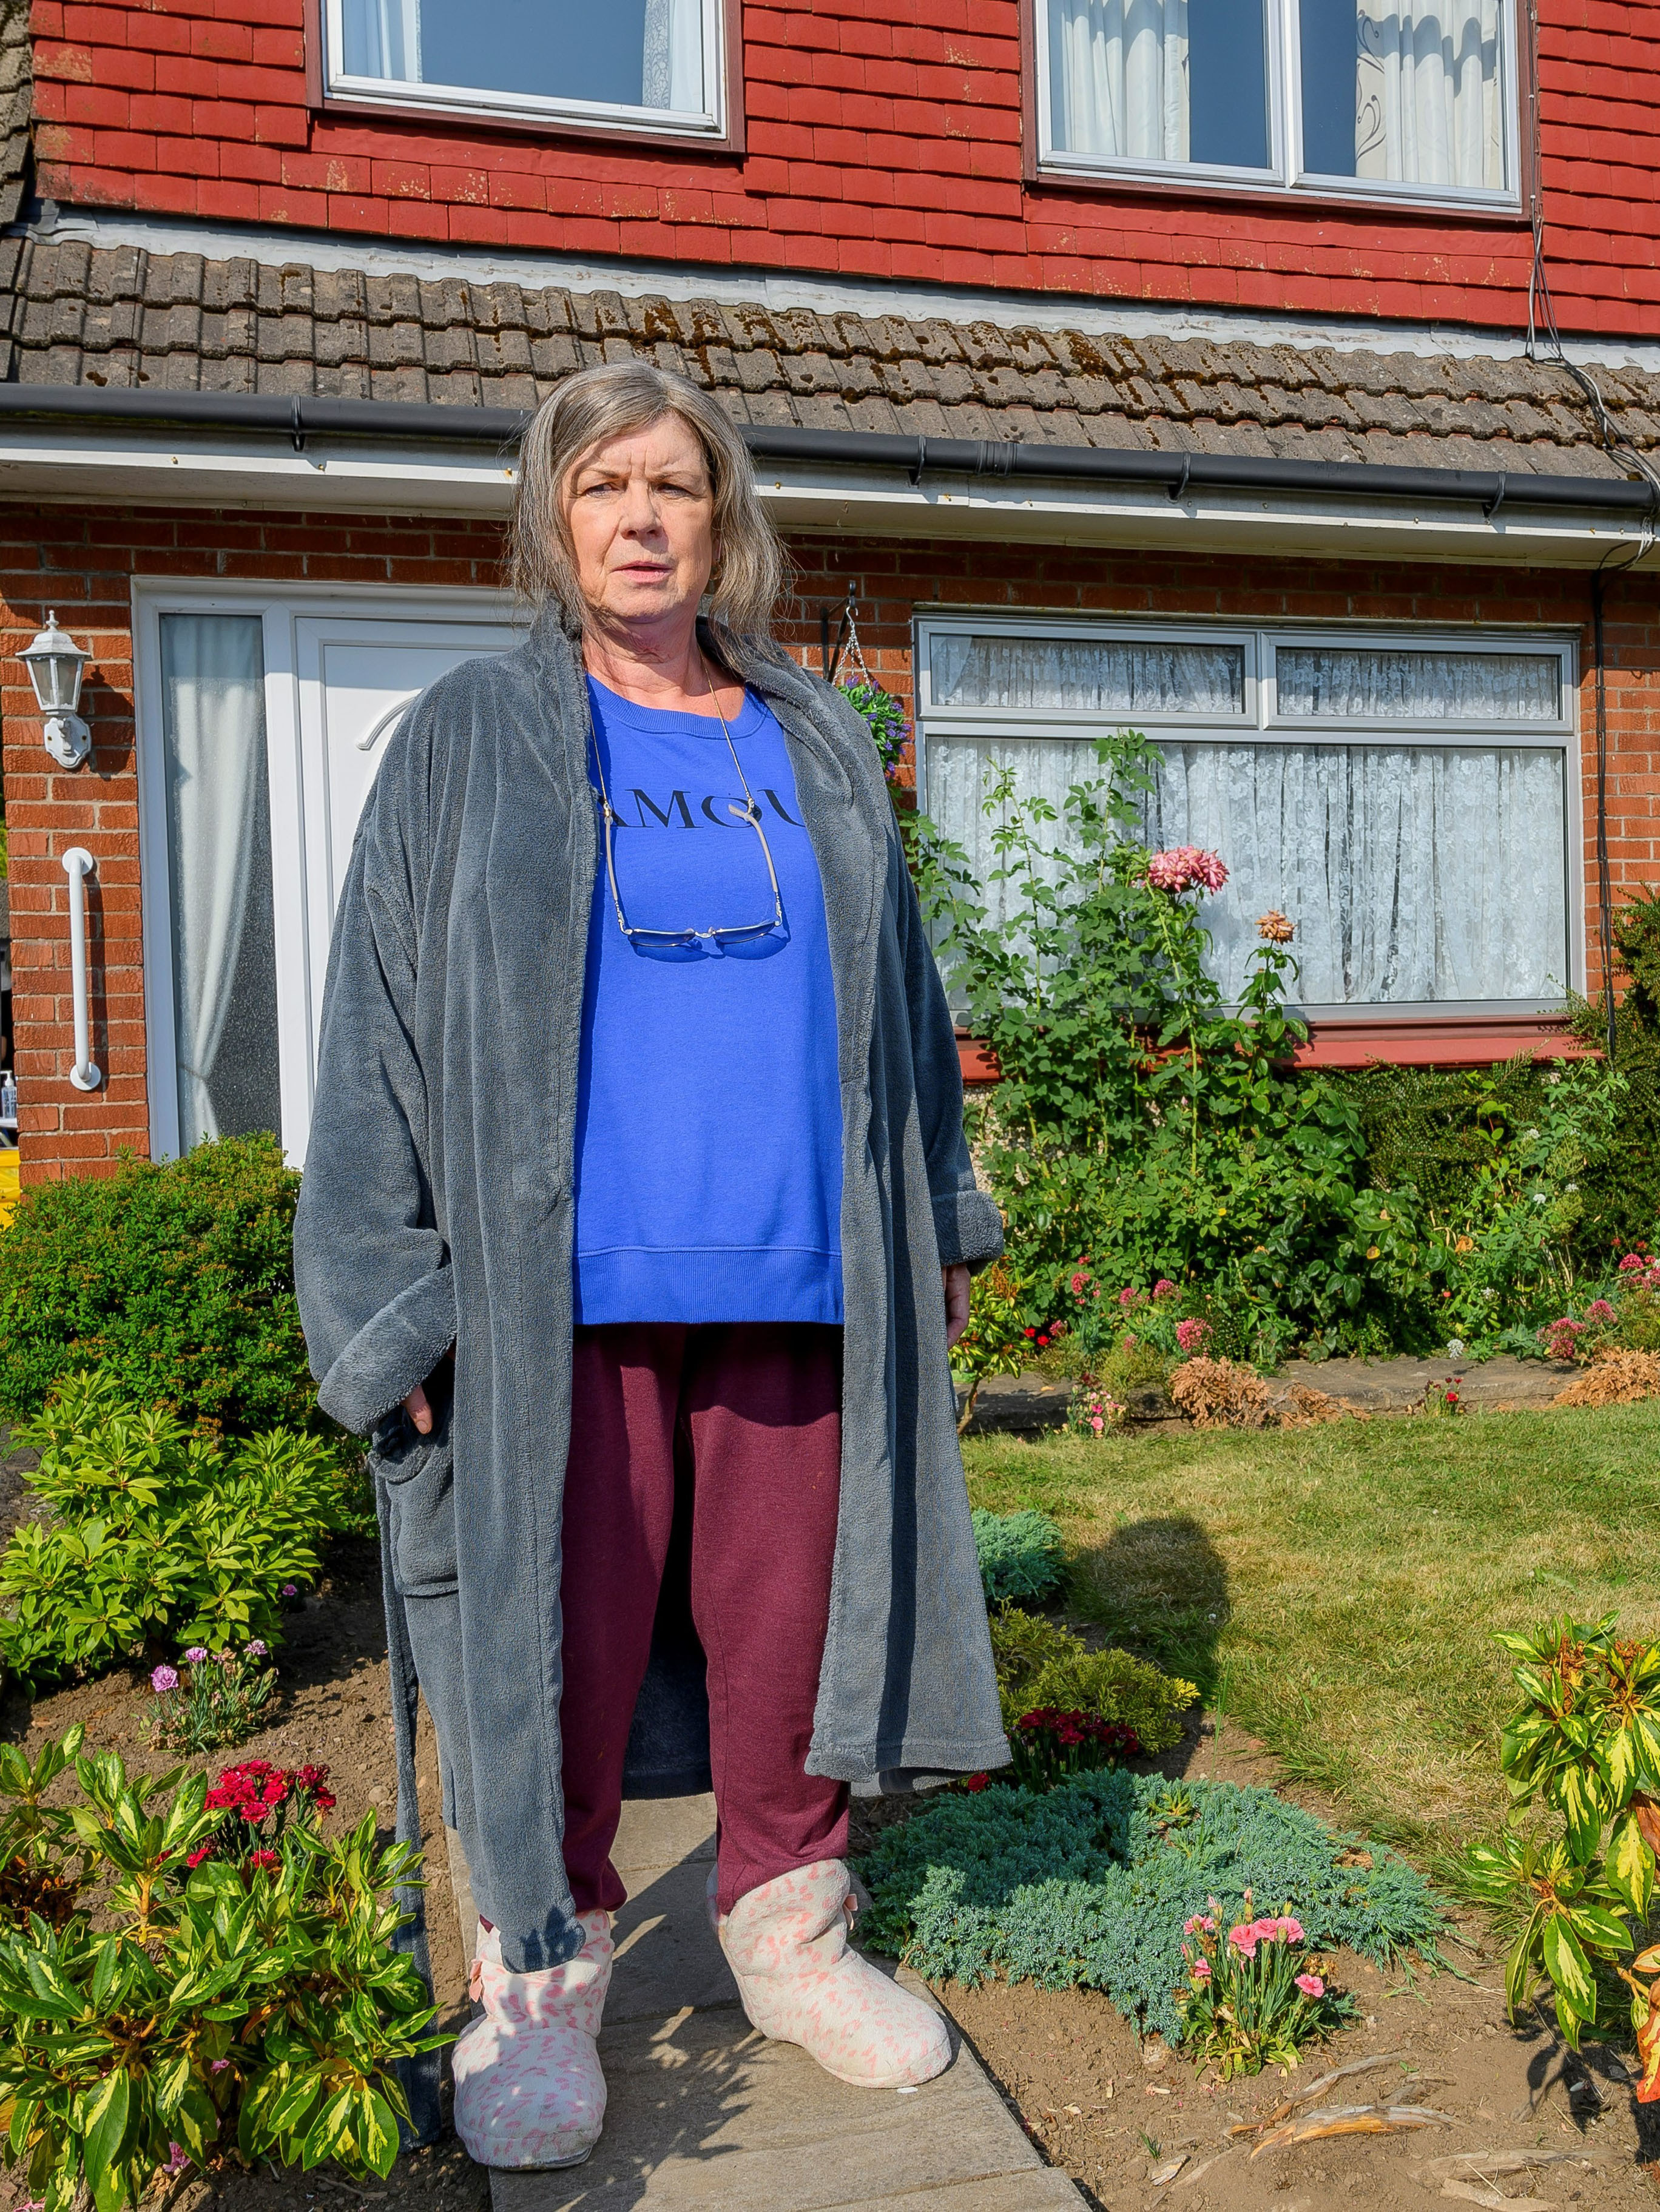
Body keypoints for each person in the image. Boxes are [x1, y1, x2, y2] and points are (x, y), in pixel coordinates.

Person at [293, 361, 1010, 2173]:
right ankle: (541, 1977)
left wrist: (934, 1224)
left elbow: (906, 1016)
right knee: (556, 1645)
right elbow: (371, 1021)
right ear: (553, 520)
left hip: (798, 1265)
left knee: (792, 1633)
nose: (637, 519)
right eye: (602, 486)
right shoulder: (471, 736)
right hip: (559, 1295)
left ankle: (788, 1929)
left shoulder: (820, 737)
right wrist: (391, 1290)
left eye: (672, 486)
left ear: (721, 518)